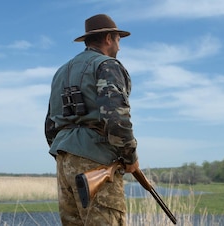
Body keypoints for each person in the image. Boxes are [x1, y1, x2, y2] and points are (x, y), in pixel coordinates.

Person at [44, 14, 139, 226]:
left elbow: (50, 125)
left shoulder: (61, 72)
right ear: (108, 38)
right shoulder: (107, 65)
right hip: (96, 162)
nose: (119, 47)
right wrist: (130, 157)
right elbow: (116, 119)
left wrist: (68, 157)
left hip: (64, 162)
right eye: (118, 40)